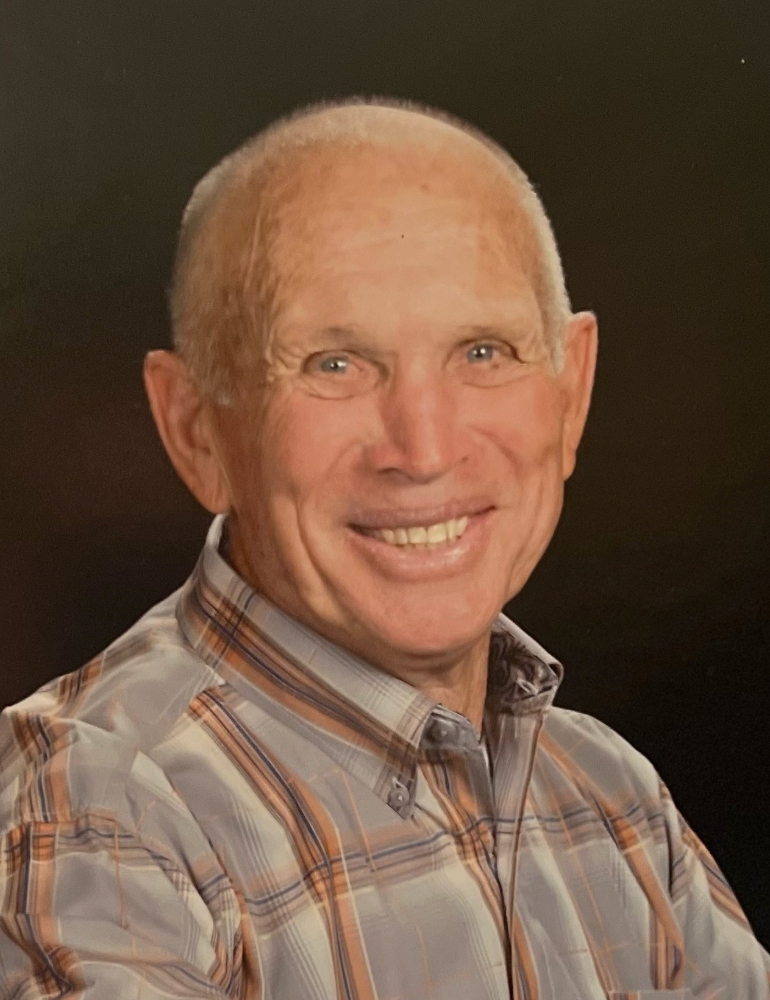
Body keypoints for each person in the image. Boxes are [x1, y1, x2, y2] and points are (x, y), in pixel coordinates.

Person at [0, 97, 767, 1000]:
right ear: (196, 430)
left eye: (484, 352)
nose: (425, 449)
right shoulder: (96, 806)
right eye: (335, 365)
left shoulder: (614, 799)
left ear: (571, 394)